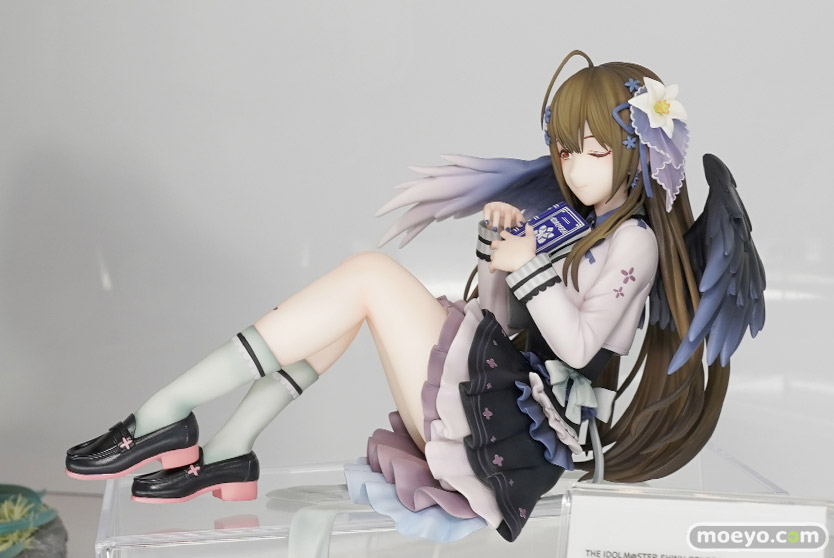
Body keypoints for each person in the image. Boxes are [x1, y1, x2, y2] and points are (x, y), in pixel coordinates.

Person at [65, 50, 765, 542]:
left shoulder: (636, 240)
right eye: (565, 149)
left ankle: (163, 413)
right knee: (353, 300)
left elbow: (579, 347)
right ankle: (228, 447)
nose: (574, 168)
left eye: (595, 150)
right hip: (502, 398)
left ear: (638, 152)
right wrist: (503, 258)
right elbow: (502, 322)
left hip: (513, 438)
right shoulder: (576, 222)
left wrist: (528, 266)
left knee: (368, 277)